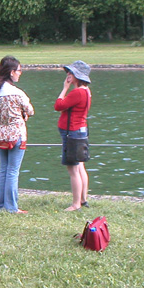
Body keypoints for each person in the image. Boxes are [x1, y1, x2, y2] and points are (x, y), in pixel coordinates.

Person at [0, 56, 34, 214]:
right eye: (19, 70)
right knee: (13, 171)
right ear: (12, 72)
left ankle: (2, 205)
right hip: (16, 134)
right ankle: (11, 208)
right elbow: (30, 110)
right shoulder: (17, 92)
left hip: (1, 133)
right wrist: (24, 113)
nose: (20, 73)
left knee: (3, 170)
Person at [54, 60, 92, 211]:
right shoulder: (86, 91)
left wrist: (64, 88)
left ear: (78, 76)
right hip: (80, 131)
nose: (68, 75)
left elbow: (58, 106)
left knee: (73, 169)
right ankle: (83, 199)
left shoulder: (77, 92)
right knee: (80, 165)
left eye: (71, 73)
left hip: (72, 132)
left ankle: (76, 204)